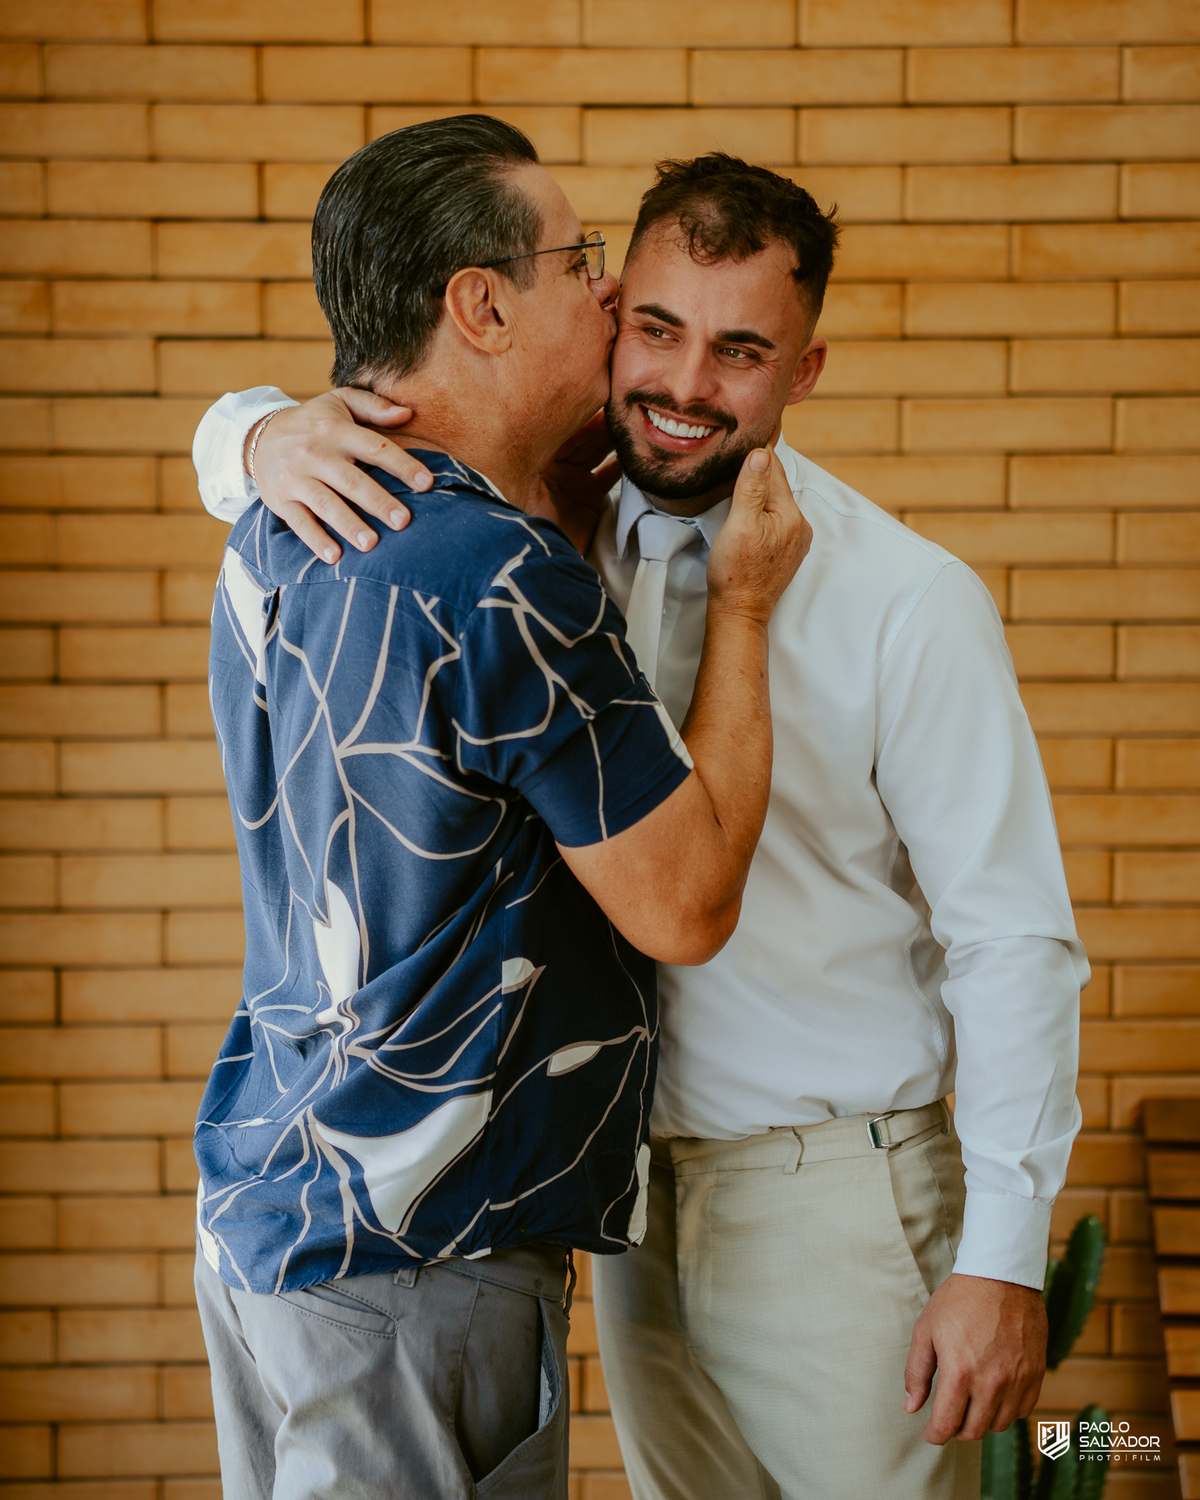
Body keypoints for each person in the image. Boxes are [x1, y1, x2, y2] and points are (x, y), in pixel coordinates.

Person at [194, 150, 1086, 1500]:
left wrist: (1005, 1255)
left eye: (739, 351)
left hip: (830, 1205)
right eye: (651, 326)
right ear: (600, 325)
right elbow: (359, 426)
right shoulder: (523, 537)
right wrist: (252, 434)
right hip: (617, 1208)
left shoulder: (908, 601)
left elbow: (1013, 941)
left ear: (806, 368)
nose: (681, 385)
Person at [191, 120, 807, 1500]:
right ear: (478, 304)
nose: (602, 296)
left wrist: (244, 429)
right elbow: (688, 899)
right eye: (577, 263)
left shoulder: (283, 516)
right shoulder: (497, 573)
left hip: (268, 1211)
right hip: (420, 1260)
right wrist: (747, 608)